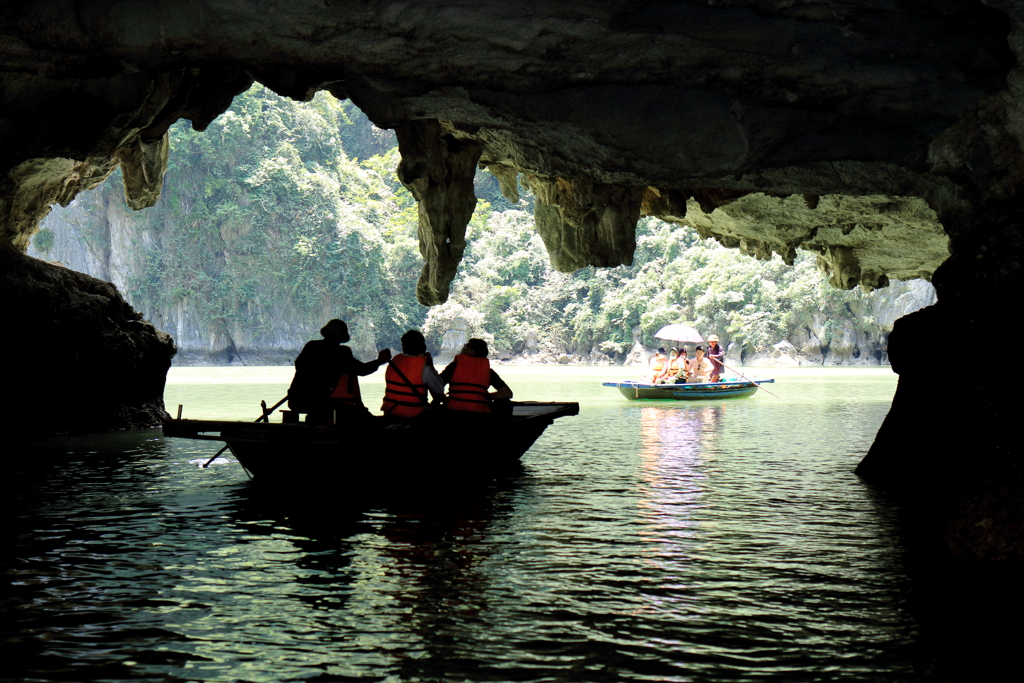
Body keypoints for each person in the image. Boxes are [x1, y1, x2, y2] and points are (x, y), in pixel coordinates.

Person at [287, 318, 391, 423]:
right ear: (341, 338)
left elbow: (299, 365)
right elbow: (362, 370)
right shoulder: (342, 352)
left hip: (295, 400)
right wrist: (379, 361)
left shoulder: (311, 346)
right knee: (359, 414)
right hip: (319, 403)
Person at [381, 329, 444, 420]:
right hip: (414, 416)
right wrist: (431, 365)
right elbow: (439, 389)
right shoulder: (424, 367)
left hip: (390, 413)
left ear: (403, 346)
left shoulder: (393, 363)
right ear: (422, 347)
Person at [440, 338, 512, 414]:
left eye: (467, 346)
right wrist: (483, 396)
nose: (463, 348)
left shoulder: (454, 366)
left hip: (453, 412)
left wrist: (443, 399)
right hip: (478, 415)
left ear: (473, 351)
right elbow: (507, 394)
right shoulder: (488, 371)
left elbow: (435, 386)